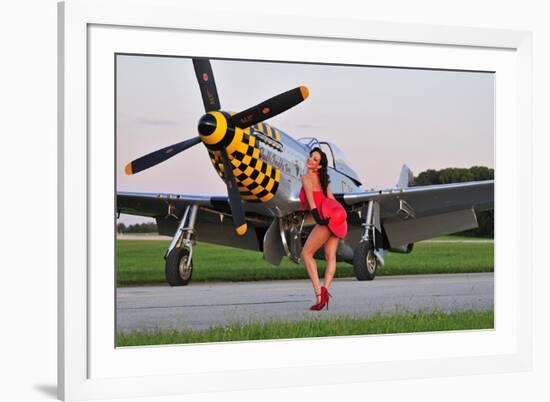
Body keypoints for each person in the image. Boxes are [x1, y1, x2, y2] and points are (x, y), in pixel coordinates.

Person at [299, 147, 348, 311]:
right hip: (335, 217)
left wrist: (320, 219)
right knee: (330, 256)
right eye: (311, 157)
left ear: (319, 166)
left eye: (315, 159)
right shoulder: (324, 180)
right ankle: (325, 290)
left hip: (326, 219)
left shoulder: (306, 178)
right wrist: (342, 217)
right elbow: (332, 199)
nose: (310, 160)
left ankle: (319, 296)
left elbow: (312, 203)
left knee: (306, 254)